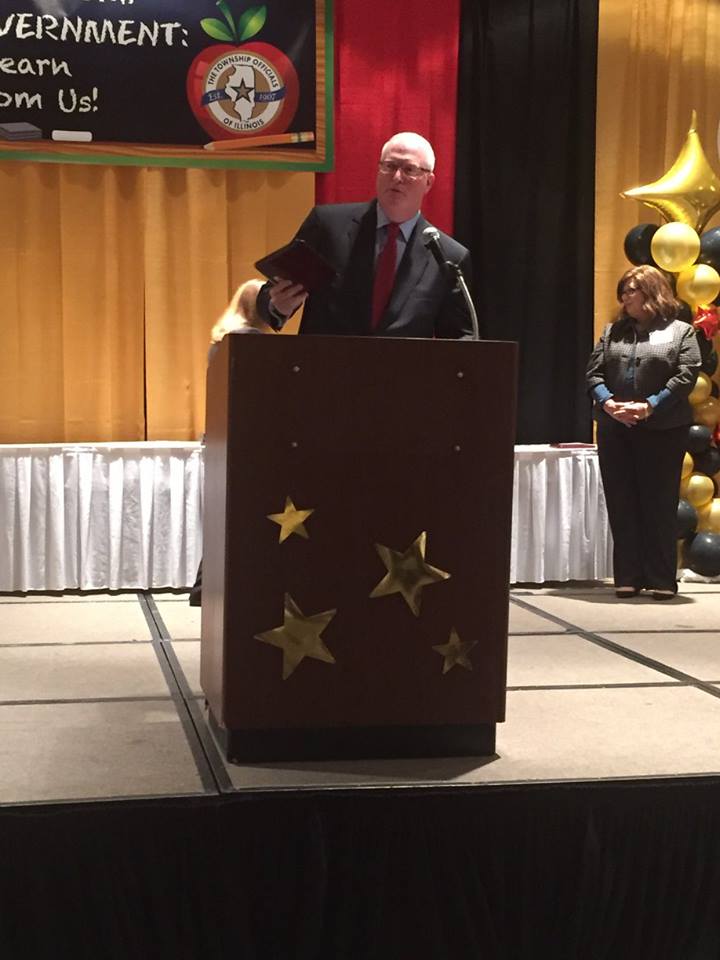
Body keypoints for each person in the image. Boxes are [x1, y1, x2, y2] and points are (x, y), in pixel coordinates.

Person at [255, 131, 477, 339]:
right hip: (326, 372)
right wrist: (278, 307)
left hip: (404, 378)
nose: (397, 177)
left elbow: (460, 341)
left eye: (409, 169)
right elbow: (269, 295)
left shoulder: (448, 257)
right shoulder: (328, 225)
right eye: (389, 166)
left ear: (428, 182)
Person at [586, 264, 701, 600]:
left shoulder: (682, 332)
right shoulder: (612, 332)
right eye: (622, 292)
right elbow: (593, 374)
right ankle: (628, 576)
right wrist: (609, 404)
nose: (624, 298)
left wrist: (650, 405)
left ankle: (661, 578)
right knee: (622, 501)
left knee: (658, 502)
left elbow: (686, 375)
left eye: (630, 291)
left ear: (652, 293)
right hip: (615, 428)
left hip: (663, 428)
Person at [189, 278, 271, 607]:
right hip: (246, 437)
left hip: (223, 435)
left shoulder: (220, 339)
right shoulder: (249, 340)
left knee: (225, 512)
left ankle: (203, 585)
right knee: (244, 513)